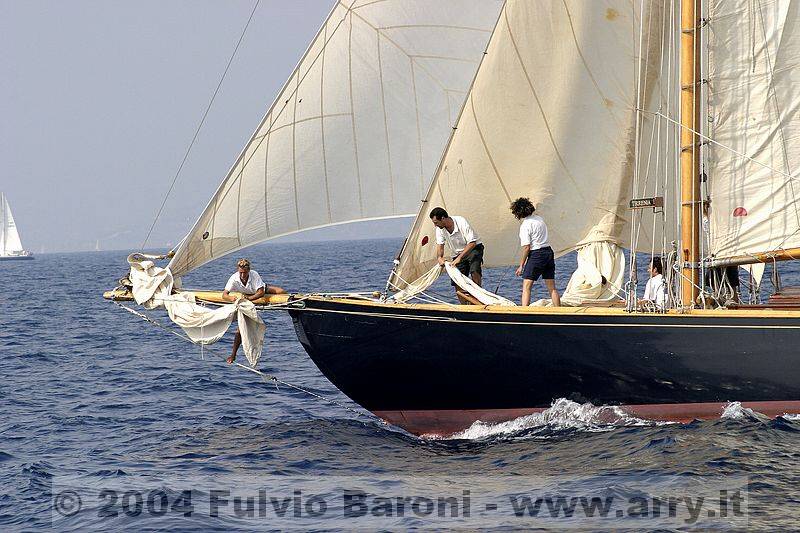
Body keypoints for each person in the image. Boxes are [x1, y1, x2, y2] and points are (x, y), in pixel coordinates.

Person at [222, 258, 286, 364]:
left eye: (245, 273)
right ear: (238, 270)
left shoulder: (254, 274)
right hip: (245, 299)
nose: (243, 275)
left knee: (282, 292)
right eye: (241, 273)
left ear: (249, 270)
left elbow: (260, 292)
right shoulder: (234, 277)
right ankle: (233, 355)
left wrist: (249, 299)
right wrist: (231, 298)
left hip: (259, 292)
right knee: (240, 329)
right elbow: (224, 295)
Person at [510, 197, 560, 307]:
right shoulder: (539, 219)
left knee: (526, 287)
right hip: (548, 252)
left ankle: (524, 312)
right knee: (552, 287)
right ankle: (559, 311)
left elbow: (526, 247)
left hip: (537, 254)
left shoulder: (525, 225)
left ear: (518, 212)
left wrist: (521, 266)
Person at [429, 207, 484, 304]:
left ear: (443, 218)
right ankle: (464, 306)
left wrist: (459, 258)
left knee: (474, 271)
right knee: (456, 279)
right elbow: (440, 246)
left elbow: (472, 243)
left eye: (436, 222)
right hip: (457, 253)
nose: (435, 225)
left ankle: (477, 300)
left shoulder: (461, 221)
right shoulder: (439, 229)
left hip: (473, 248)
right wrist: (440, 257)